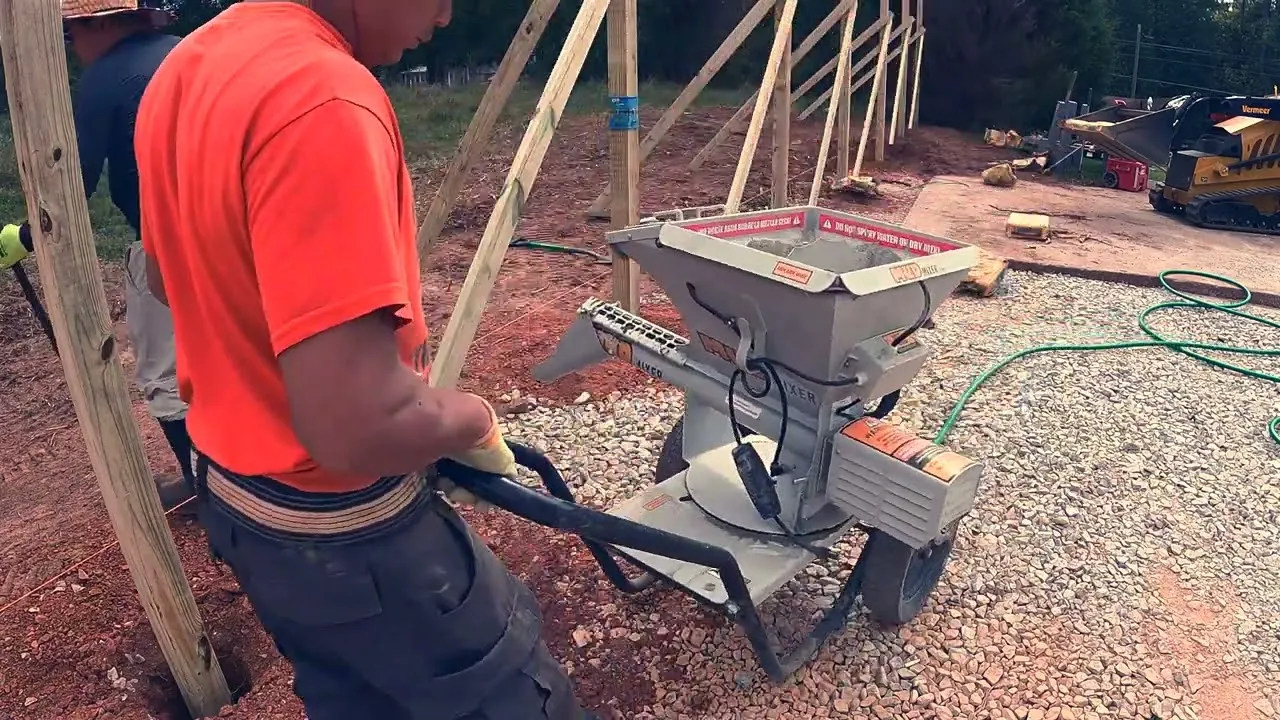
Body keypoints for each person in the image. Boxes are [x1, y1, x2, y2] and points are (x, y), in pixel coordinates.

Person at [134, 1, 592, 718]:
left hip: (246, 513)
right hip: (350, 534)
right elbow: (356, 426)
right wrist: (470, 419)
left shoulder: (189, 65)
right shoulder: (323, 98)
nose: (448, 13)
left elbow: (168, 281)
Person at [0, 0, 196, 511]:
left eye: (72, 35)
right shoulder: (184, 52)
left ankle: (206, 490)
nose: (71, 49)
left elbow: (72, 186)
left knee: (164, 375)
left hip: (166, 245)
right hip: (231, 229)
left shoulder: (106, 78)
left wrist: (23, 236)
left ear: (102, 23)